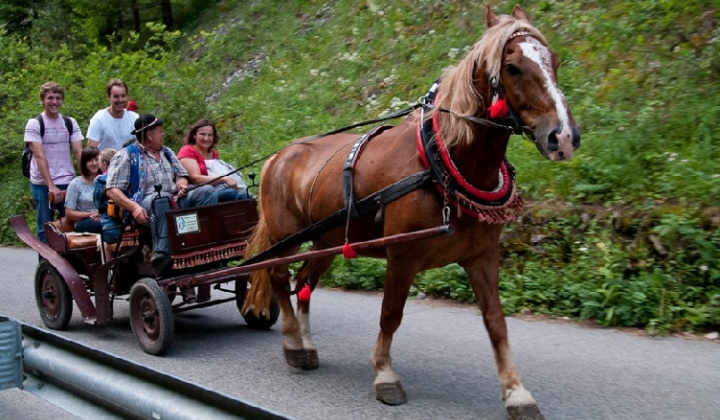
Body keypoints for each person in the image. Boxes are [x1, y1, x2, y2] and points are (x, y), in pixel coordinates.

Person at [105, 114, 218, 265]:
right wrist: (134, 208)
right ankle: (162, 252)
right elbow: (112, 190)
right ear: (149, 135)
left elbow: (181, 175)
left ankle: (201, 241)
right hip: (145, 206)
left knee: (207, 191)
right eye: (160, 131)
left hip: (175, 200)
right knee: (161, 198)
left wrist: (182, 185)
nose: (163, 134)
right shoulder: (126, 155)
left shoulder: (167, 152)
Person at [24, 81, 84, 243]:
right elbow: (39, 155)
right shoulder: (35, 124)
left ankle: (68, 266)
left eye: (58, 98)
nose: (54, 102)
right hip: (42, 184)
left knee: (71, 226)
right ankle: (46, 266)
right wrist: (51, 185)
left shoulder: (69, 123)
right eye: (50, 98)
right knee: (45, 228)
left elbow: (78, 151)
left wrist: (86, 179)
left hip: (67, 181)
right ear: (42, 100)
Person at [177, 119, 251, 202]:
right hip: (198, 193)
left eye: (210, 135)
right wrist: (224, 179)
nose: (206, 138)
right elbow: (196, 179)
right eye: (202, 134)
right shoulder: (187, 150)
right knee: (231, 194)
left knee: (246, 196)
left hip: (217, 189)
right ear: (194, 135)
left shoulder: (213, 154)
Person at [86, 78, 139, 151]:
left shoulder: (134, 118)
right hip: (107, 161)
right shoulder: (99, 119)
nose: (120, 100)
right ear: (109, 97)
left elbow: (141, 145)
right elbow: (91, 150)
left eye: (123, 96)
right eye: (116, 96)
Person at [65, 147, 102, 233]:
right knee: (106, 225)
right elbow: (69, 213)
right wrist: (92, 214)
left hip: (104, 217)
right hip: (83, 222)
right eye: (90, 160)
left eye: (97, 160)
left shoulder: (104, 181)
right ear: (84, 163)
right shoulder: (76, 183)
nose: (94, 163)